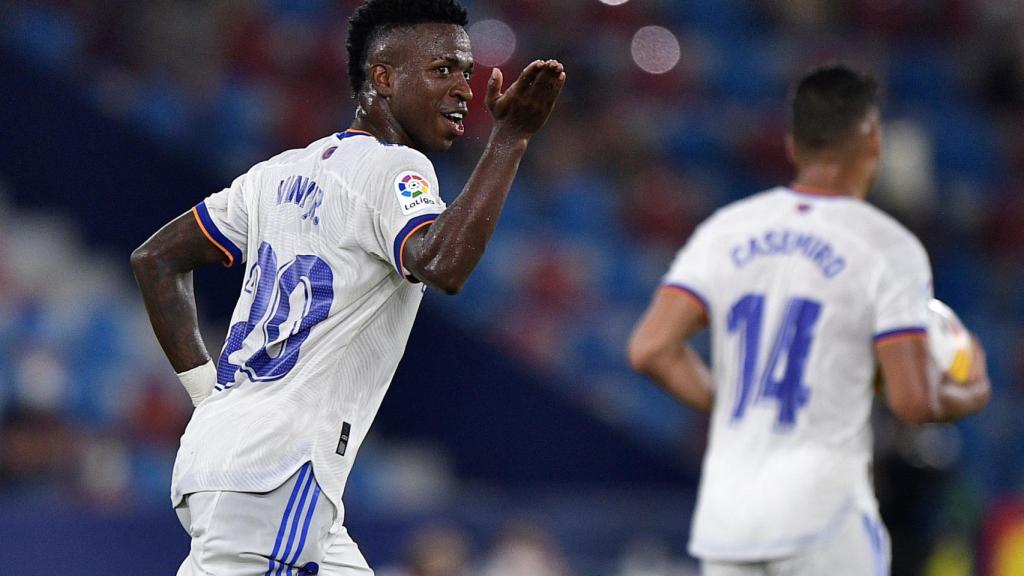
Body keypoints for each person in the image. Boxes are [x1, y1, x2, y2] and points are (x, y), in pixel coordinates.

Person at [130, 0, 565, 573]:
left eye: (466, 70)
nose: (464, 87)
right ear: (382, 78)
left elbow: (155, 259)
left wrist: (209, 398)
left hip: (232, 457)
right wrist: (510, 140)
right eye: (442, 70)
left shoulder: (276, 174)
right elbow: (442, 264)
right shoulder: (394, 170)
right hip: (279, 469)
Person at [627, 65, 990, 576]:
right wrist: (973, 389)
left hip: (731, 519)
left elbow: (650, 349)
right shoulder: (888, 247)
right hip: (823, 515)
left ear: (793, 145)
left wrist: (730, 403)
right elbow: (913, 403)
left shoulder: (726, 231)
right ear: (872, 144)